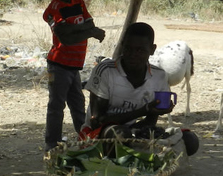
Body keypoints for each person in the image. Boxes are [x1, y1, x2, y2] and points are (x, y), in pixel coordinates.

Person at [82, 22, 199, 156]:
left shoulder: (158, 76)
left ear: (152, 50)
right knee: (120, 135)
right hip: (100, 133)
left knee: (190, 140)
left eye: (140, 50)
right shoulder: (106, 71)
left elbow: (150, 121)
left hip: (133, 131)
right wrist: (142, 111)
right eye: (128, 49)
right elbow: (97, 121)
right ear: (122, 47)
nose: (133, 54)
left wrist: (144, 128)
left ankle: (133, 152)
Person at [42, 0, 105, 153]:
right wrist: (89, 32)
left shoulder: (78, 1)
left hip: (74, 66)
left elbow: (86, 24)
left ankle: (84, 140)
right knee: (56, 106)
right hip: (57, 65)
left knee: (78, 105)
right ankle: (51, 144)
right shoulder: (51, 10)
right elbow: (65, 38)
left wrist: (77, 29)